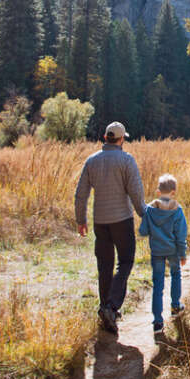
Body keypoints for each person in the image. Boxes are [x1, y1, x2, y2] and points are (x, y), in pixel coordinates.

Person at [74, 121, 147, 336]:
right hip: (122, 220)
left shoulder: (92, 161)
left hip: (100, 221)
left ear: (106, 138)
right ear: (121, 139)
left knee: (104, 265)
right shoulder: (126, 160)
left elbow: (81, 194)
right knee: (125, 261)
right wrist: (144, 215)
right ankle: (111, 306)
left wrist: (81, 220)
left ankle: (105, 309)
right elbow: (136, 192)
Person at [139, 173, 188, 334]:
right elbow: (181, 235)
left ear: (158, 192)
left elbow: (143, 231)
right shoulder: (177, 211)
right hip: (173, 251)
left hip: (157, 252)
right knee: (175, 275)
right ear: (173, 192)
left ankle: (158, 322)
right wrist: (182, 253)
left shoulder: (150, 210)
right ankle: (175, 305)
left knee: (158, 284)